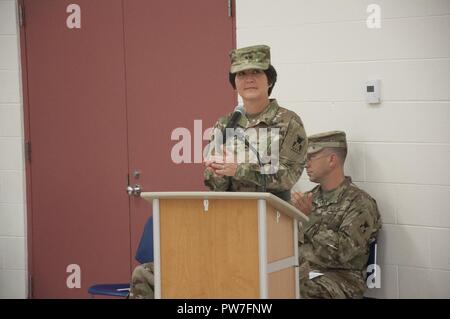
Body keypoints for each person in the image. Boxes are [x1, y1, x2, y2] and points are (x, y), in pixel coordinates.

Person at [204, 44, 308, 202]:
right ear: (235, 83)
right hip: (232, 213)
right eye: (242, 74)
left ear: (270, 80)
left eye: (256, 72)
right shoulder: (225, 124)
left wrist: (239, 170)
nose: (249, 79)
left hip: (272, 215)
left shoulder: (289, 122)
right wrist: (217, 172)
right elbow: (214, 185)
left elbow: (288, 176)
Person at [291, 131, 382, 299]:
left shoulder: (360, 203)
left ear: (331, 160)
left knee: (296, 290)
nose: (306, 164)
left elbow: (342, 253)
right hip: (305, 272)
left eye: (311, 157)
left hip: (342, 279)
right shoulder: (308, 199)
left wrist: (308, 219)